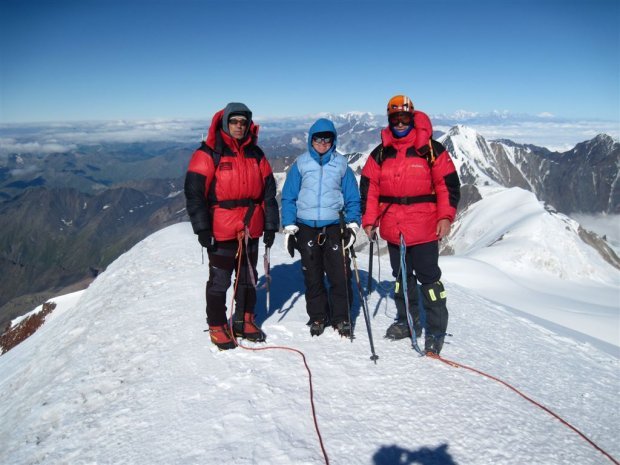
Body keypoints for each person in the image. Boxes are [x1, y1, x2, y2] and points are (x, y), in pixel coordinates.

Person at [360, 95, 460, 355]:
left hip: (425, 228)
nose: (400, 123)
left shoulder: (431, 149)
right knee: (401, 279)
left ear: (413, 118)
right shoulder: (381, 152)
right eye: (395, 118)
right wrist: (369, 220)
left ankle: (435, 331)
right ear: (389, 120)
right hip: (395, 228)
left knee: (429, 280)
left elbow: (447, 185)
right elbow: (370, 188)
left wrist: (445, 217)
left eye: (405, 118)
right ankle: (407, 321)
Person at [184, 102, 279, 350]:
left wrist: (270, 225)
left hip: (251, 226)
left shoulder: (256, 155)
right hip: (220, 228)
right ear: (225, 122)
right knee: (220, 280)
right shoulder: (208, 154)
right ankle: (217, 324)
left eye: (243, 122)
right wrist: (202, 229)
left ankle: (244, 320)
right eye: (235, 121)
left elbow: (268, 193)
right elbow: (195, 194)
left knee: (248, 277)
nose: (239, 126)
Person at [281, 118, 361, 337]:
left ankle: (342, 317)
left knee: (339, 275)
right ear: (311, 140)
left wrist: (353, 224)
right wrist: (289, 226)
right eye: (318, 138)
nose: (323, 142)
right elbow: (289, 197)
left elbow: (353, 197)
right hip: (306, 226)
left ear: (333, 140)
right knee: (313, 275)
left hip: (335, 226)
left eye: (327, 138)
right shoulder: (301, 164)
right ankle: (317, 316)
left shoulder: (342, 164)